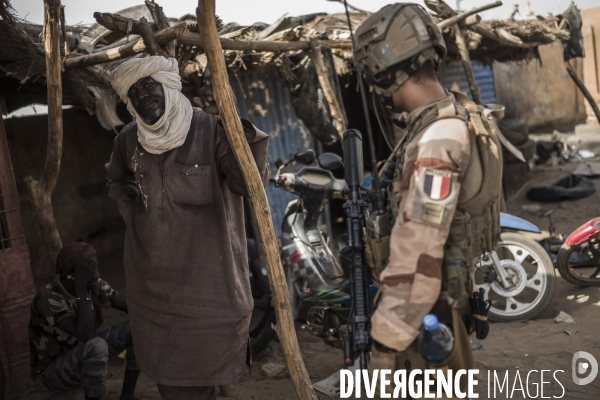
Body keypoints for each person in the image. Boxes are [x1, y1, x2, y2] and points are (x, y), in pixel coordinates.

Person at [354, 3, 506, 395]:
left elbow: (419, 253)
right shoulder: (459, 116)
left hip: (425, 318)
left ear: (383, 71)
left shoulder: (437, 139)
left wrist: (387, 342)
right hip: (443, 309)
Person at [105, 56, 270, 400]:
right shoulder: (128, 139)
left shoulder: (210, 129)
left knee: (198, 382)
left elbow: (247, 185)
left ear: (168, 85)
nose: (142, 95)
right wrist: (132, 212)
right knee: (174, 384)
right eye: (133, 90)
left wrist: (230, 125)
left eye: (149, 85)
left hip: (211, 290)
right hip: (153, 292)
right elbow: (116, 179)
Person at [29, 242, 139, 400]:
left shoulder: (93, 285)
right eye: (90, 270)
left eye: (96, 267)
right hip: (52, 375)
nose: (96, 274)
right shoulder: (47, 297)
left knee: (136, 328)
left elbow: (131, 309)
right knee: (96, 345)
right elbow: (86, 334)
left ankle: (127, 396)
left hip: (83, 353)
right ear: (71, 274)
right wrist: (82, 288)